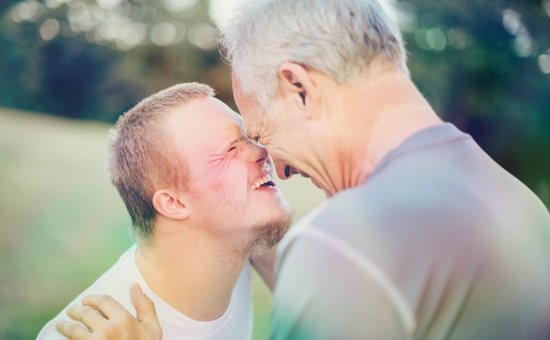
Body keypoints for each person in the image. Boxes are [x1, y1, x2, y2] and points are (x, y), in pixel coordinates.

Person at [58, 0, 550, 339]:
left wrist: (321, 261)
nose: (279, 167)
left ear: (299, 89)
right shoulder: (518, 199)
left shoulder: (343, 248)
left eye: (260, 130)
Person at [38, 82, 292, 340]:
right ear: (174, 203)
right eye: (230, 149)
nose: (262, 151)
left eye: (250, 137)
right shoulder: (89, 333)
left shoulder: (239, 242)